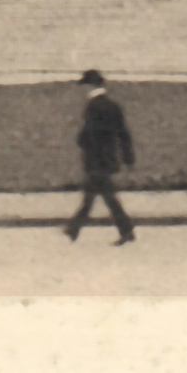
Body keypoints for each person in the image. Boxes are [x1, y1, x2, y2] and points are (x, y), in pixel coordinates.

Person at [64, 68, 137, 244]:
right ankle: (73, 229)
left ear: (89, 86)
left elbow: (88, 133)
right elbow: (123, 133)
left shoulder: (93, 107)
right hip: (108, 159)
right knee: (100, 196)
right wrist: (128, 157)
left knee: (100, 197)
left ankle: (74, 229)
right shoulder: (113, 106)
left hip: (95, 161)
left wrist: (81, 141)